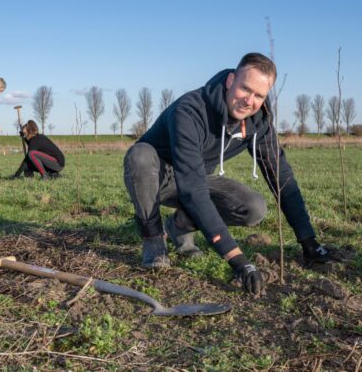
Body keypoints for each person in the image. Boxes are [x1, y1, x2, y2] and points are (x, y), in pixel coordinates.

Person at [123, 53, 337, 295]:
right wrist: (238, 260)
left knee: (253, 207)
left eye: (259, 95)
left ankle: (180, 225)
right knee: (139, 155)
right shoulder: (190, 111)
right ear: (230, 80)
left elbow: (282, 177)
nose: (249, 101)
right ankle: (153, 238)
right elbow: (192, 190)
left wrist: (308, 241)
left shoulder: (259, 122)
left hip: (197, 178)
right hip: (157, 178)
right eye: (245, 89)